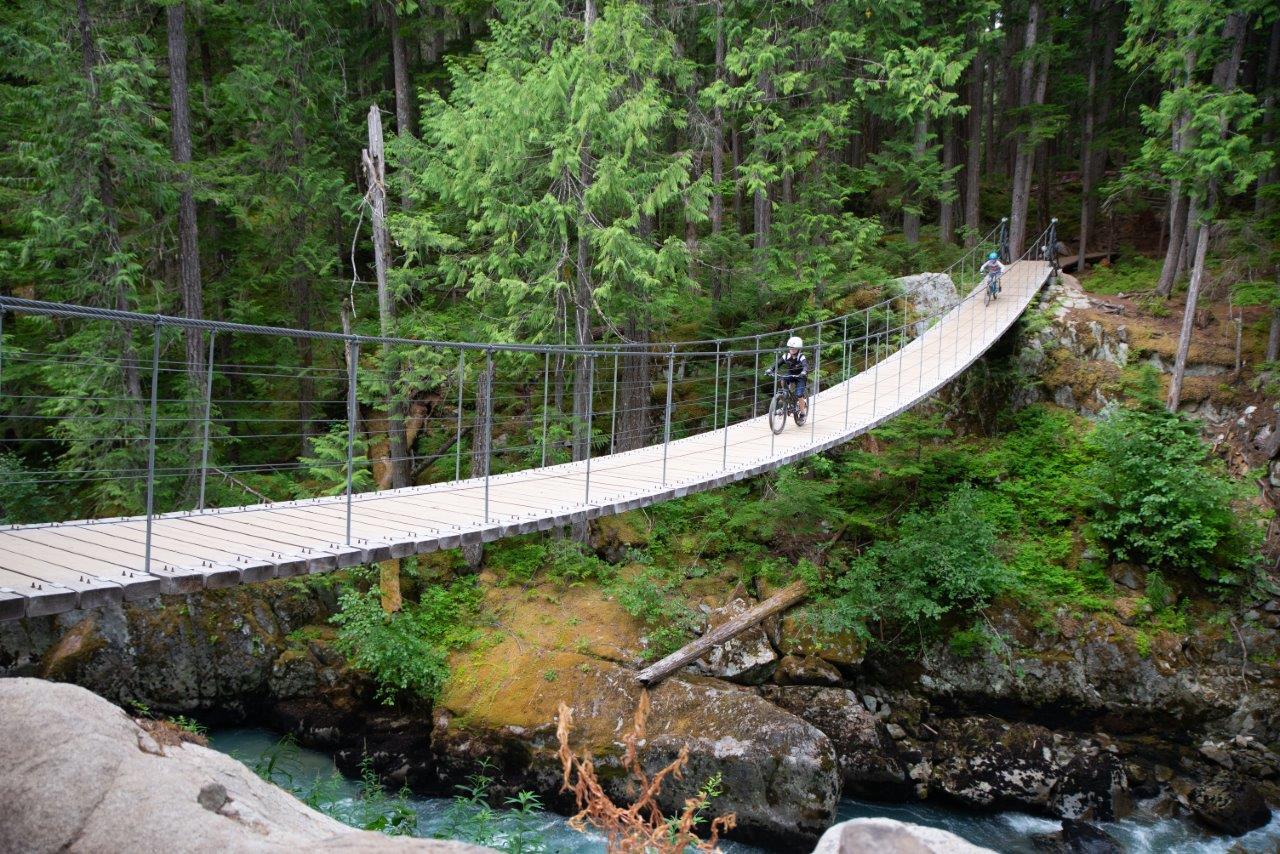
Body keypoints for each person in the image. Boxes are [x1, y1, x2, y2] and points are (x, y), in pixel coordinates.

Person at [766, 335, 809, 418]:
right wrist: (770, 369)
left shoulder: (801, 356)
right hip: (791, 374)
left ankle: (803, 412)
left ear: (798, 349)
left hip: (801, 376)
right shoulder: (786, 356)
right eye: (790, 348)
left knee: (799, 394)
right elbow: (777, 363)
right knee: (783, 379)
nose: (792, 350)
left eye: (794, 348)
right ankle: (786, 397)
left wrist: (804, 371)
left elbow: (805, 365)